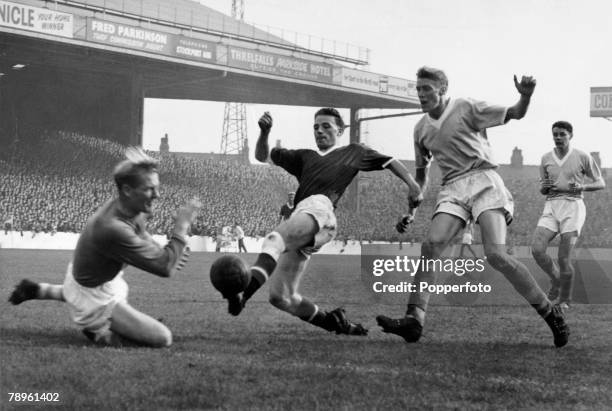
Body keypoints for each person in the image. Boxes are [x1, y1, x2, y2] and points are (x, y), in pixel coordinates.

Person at [376, 67, 570, 347]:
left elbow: (515, 112)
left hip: (484, 181)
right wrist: (411, 212)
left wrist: (525, 96)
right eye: (418, 90)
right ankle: (414, 320)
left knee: (496, 255)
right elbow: (420, 179)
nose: (421, 94)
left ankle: (551, 314)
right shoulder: (420, 129)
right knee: (430, 246)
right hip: (453, 188)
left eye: (426, 89)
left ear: (442, 89)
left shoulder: (465, 107)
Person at [221, 108, 422, 335]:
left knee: (273, 241)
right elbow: (261, 156)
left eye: (326, 126)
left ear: (341, 129)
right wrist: (265, 133)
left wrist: (413, 185)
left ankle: (243, 294)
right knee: (281, 297)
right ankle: (337, 323)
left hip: (321, 209)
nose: (320, 131)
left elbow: (390, 161)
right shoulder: (304, 157)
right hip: (306, 219)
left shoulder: (354, 151)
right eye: (316, 127)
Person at [8, 148, 200, 347]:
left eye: (157, 188)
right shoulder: (112, 228)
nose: (157, 195)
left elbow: (144, 238)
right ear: (127, 190)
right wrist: (181, 229)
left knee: (92, 289)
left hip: (91, 278)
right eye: (149, 189)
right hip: (92, 299)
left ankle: (37, 290)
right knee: (162, 338)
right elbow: (165, 268)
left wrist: (167, 251)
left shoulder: (130, 209)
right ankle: (97, 331)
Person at [531, 121, 604, 309]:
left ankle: (564, 300)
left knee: (564, 258)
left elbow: (600, 182)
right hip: (552, 206)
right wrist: (544, 188)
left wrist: (583, 186)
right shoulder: (546, 158)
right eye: (555, 134)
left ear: (570, 135)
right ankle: (556, 279)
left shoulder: (582, 156)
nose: (558, 137)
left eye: (562, 134)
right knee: (537, 250)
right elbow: (543, 189)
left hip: (573, 208)